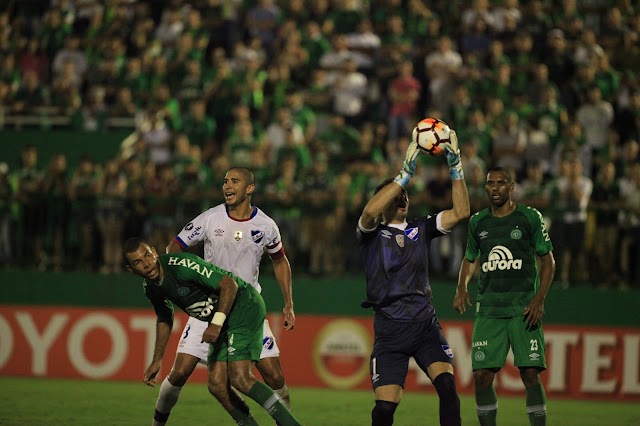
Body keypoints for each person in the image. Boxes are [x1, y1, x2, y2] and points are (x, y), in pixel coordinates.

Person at [156, 166, 294, 426]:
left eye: (234, 181)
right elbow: (175, 247)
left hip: (247, 310)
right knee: (180, 373)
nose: (227, 186)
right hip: (209, 308)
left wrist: (289, 303)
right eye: (225, 181)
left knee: (274, 376)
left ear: (249, 188)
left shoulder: (265, 225)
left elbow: (280, 260)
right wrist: (190, 276)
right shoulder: (210, 218)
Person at [123, 237, 302, 426]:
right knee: (217, 385)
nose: (147, 263)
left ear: (154, 251)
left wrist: (215, 324)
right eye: (138, 262)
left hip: (243, 306)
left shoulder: (181, 266)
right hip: (223, 318)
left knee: (240, 378)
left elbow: (229, 285)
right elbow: (165, 318)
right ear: (131, 270)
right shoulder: (151, 288)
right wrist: (157, 360)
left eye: (148, 255)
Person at [357, 129, 469, 426]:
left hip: (424, 326)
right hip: (390, 331)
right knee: (384, 410)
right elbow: (369, 211)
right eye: (396, 195)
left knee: (447, 387)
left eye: (405, 195)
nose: (402, 198)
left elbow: (461, 212)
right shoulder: (371, 234)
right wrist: (403, 175)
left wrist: (455, 163)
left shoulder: (422, 227)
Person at [453, 166, 556, 426]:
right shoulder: (478, 222)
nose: (495, 188)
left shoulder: (530, 217)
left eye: (501, 183)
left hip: (523, 309)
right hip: (489, 310)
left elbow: (549, 262)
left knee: (530, 373)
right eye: (490, 183)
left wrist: (539, 299)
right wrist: (461, 287)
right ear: (486, 187)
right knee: (481, 377)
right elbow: (470, 259)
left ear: (511, 187)